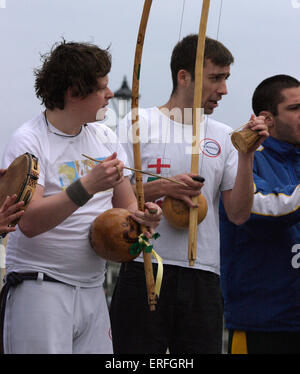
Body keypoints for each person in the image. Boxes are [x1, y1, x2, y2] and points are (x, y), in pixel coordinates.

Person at [109, 34, 268, 354]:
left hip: (203, 276)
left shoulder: (224, 136)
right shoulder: (138, 123)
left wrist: (247, 154)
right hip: (144, 268)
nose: (223, 89)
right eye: (215, 78)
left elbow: (238, 214)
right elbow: (114, 201)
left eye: (226, 78)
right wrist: (165, 187)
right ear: (184, 76)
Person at [0, 40, 161, 354]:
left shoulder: (104, 136)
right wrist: (87, 185)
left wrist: (144, 217)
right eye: (102, 87)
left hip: (92, 288)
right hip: (41, 289)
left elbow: (127, 205)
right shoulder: (29, 140)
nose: (111, 94)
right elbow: (28, 222)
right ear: (74, 93)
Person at [220, 74, 300, 354]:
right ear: (267, 119)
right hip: (263, 323)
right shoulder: (245, 159)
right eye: (294, 108)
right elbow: (256, 211)